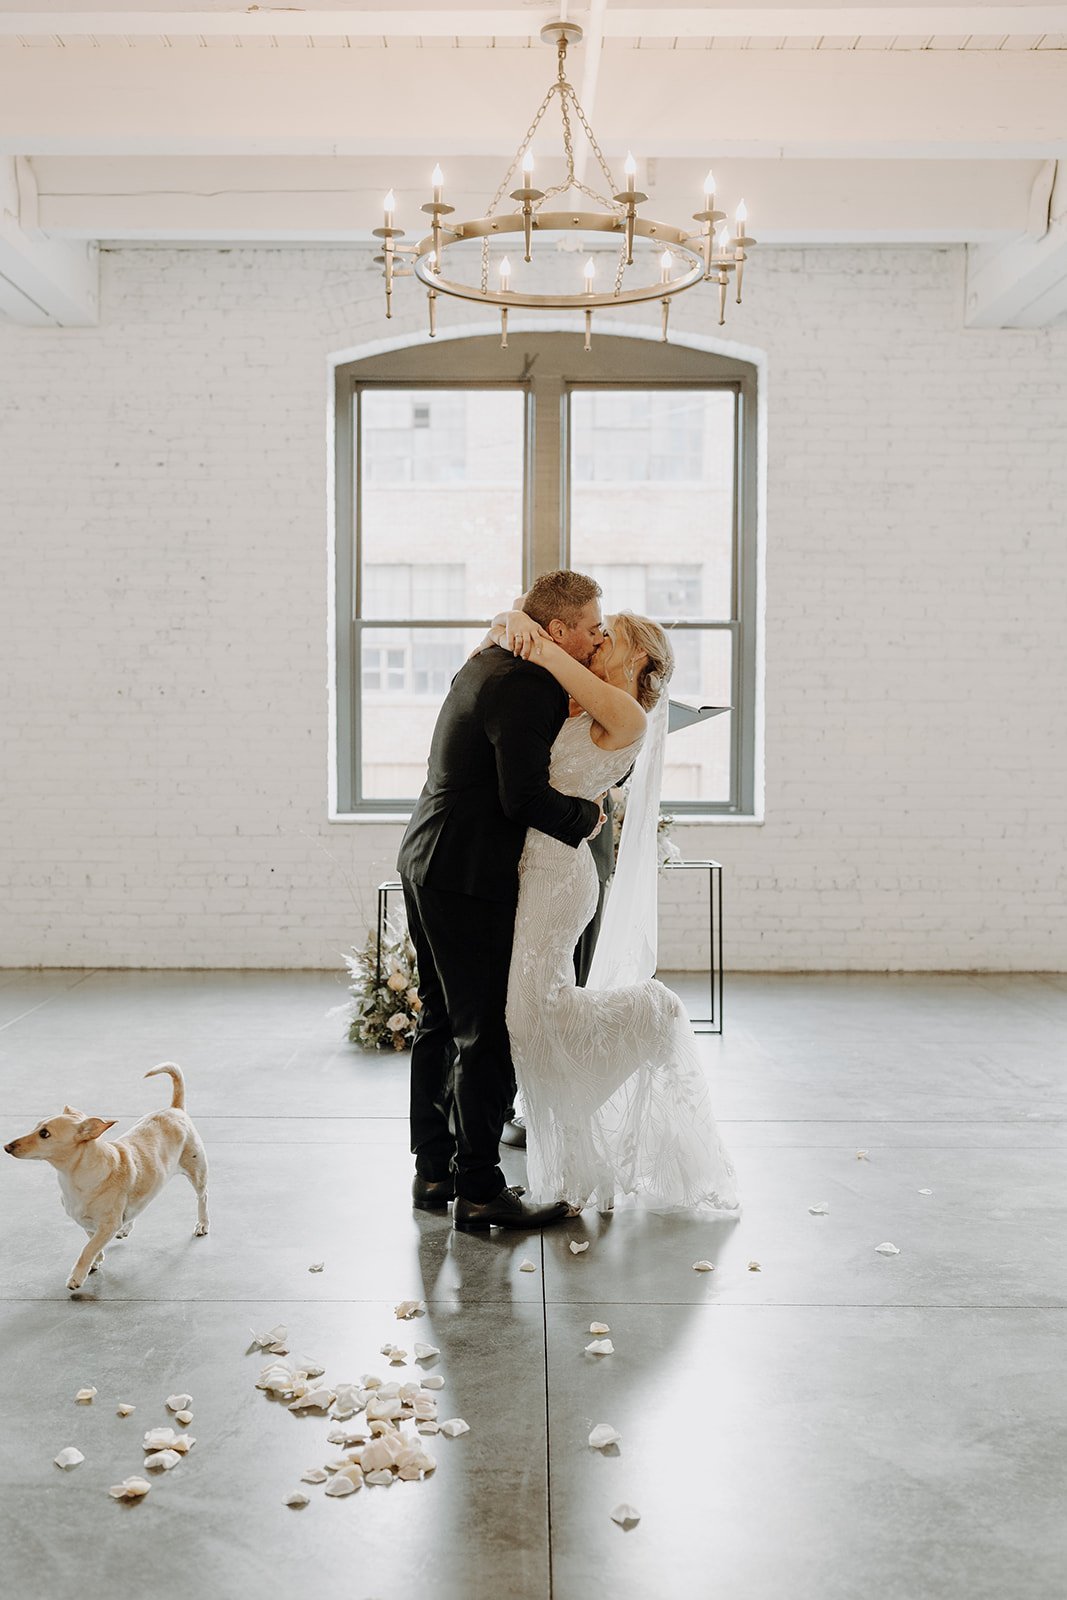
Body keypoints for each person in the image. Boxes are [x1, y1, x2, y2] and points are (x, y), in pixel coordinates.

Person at [491, 605, 741, 1216]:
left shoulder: (627, 712)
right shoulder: (593, 702)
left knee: (528, 1017)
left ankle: (647, 1020)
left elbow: (545, 652)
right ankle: (580, 1150)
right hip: (539, 868)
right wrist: (508, 621)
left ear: (639, 659)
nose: (597, 642)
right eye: (597, 633)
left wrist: (516, 622)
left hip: (559, 879)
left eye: (610, 636)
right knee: (532, 1017)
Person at [397, 569, 608, 1231]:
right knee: (484, 1031)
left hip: (426, 856)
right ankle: (481, 1191)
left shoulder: (494, 658)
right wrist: (585, 818)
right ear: (557, 630)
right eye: (592, 627)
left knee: (440, 1018)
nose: (599, 638)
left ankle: (433, 1171)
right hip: (466, 872)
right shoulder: (526, 685)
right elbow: (522, 798)